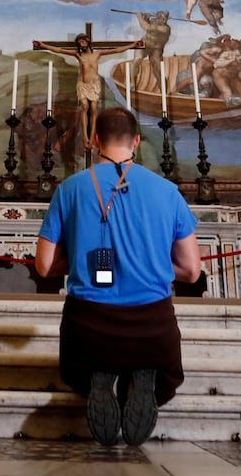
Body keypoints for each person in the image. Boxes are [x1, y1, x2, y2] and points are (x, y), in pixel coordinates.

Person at [35, 106, 201, 447]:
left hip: (89, 325)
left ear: (94, 140)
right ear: (136, 141)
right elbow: (191, 270)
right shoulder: (167, 191)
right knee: (158, 362)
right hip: (152, 326)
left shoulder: (69, 188)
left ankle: (101, 373)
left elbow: (43, 265)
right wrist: (147, 261)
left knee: (83, 360)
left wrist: (83, 259)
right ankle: (143, 374)